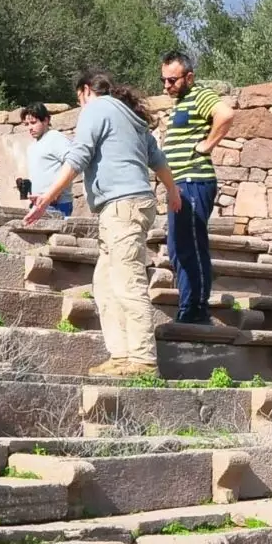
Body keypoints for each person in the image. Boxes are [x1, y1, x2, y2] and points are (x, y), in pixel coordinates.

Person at [25, 70, 181, 378]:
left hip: (122, 206)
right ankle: (122, 356)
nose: (80, 104)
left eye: (78, 98)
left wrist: (48, 196)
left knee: (127, 281)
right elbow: (158, 160)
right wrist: (173, 193)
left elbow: (79, 155)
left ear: (85, 91)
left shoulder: (97, 108)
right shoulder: (132, 118)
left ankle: (143, 360)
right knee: (105, 283)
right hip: (126, 206)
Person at [158, 51, 234, 325]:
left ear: (189, 77)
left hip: (194, 181)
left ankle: (196, 309)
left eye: (172, 80)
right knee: (177, 247)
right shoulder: (181, 102)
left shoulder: (199, 95)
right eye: (164, 80)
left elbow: (225, 114)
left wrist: (206, 145)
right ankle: (188, 305)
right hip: (179, 185)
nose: (167, 86)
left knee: (190, 245)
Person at [17, 103, 73, 218]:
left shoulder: (55, 138)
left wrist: (57, 192)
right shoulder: (32, 146)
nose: (30, 128)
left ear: (46, 120)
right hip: (38, 203)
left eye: (33, 123)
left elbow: (73, 163)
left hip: (58, 204)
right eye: (27, 124)